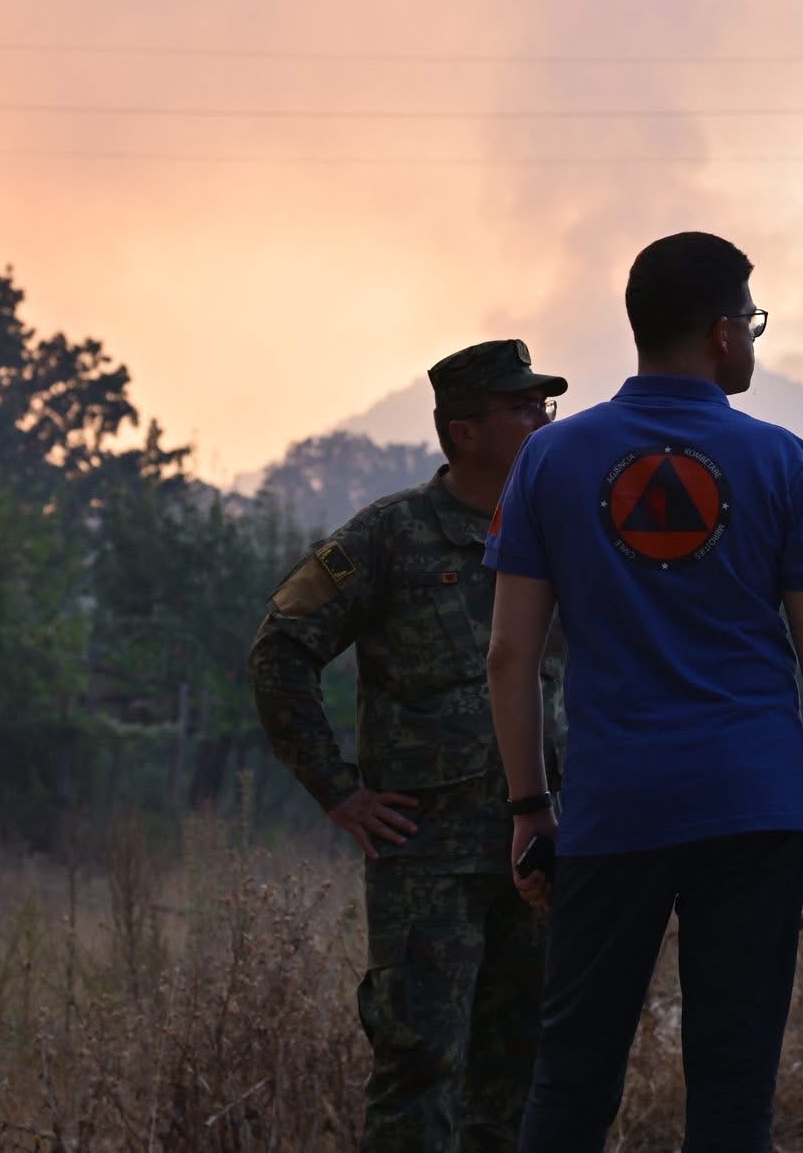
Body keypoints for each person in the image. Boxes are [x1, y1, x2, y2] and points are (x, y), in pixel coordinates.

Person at [484, 231, 803, 1152]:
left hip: (615, 809)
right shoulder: (783, 462)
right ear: (721, 333)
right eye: (750, 319)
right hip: (753, 804)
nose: (752, 338)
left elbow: (508, 656)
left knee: (572, 1080)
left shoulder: (551, 460)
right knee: (733, 1089)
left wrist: (531, 807)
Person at [249, 339, 568, 1153]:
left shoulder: (562, 531)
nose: (541, 417)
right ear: (465, 430)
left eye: (544, 404)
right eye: (522, 406)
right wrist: (336, 789)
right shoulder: (390, 536)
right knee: (419, 1061)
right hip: (429, 858)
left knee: (522, 1067)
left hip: (548, 846)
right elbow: (282, 649)